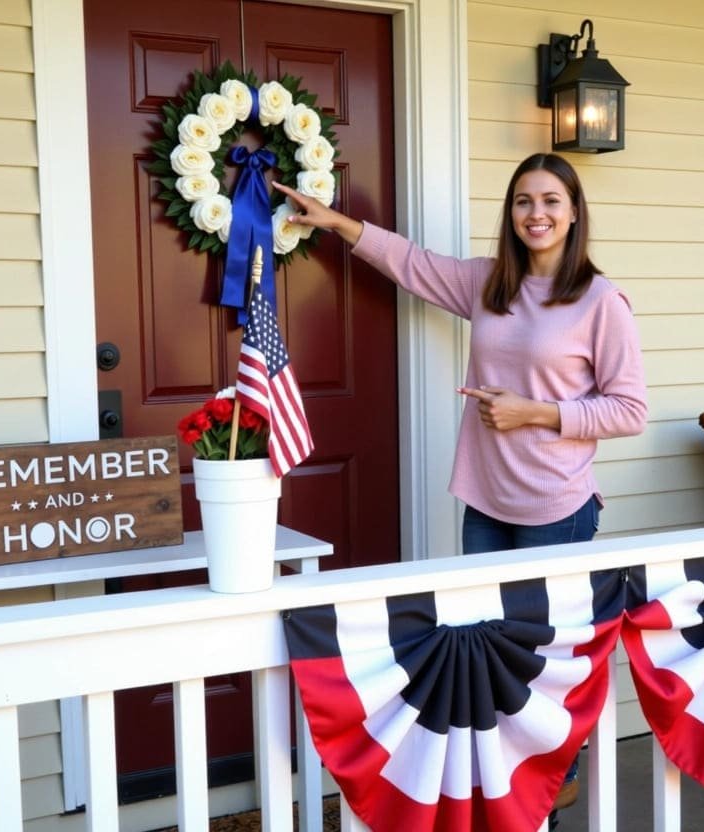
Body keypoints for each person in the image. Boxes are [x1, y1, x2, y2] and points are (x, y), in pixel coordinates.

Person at [272, 152, 646, 820]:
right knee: (486, 667)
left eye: (551, 201)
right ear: (511, 213)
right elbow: (410, 263)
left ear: (574, 212)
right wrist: (334, 223)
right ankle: (493, 803)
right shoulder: (487, 284)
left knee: (542, 676)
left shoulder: (599, 300)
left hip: (555, 511)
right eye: (524, 201)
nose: (537, 214)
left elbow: (629, 410)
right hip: (485, 505)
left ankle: (547, 808)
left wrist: (534, 412)